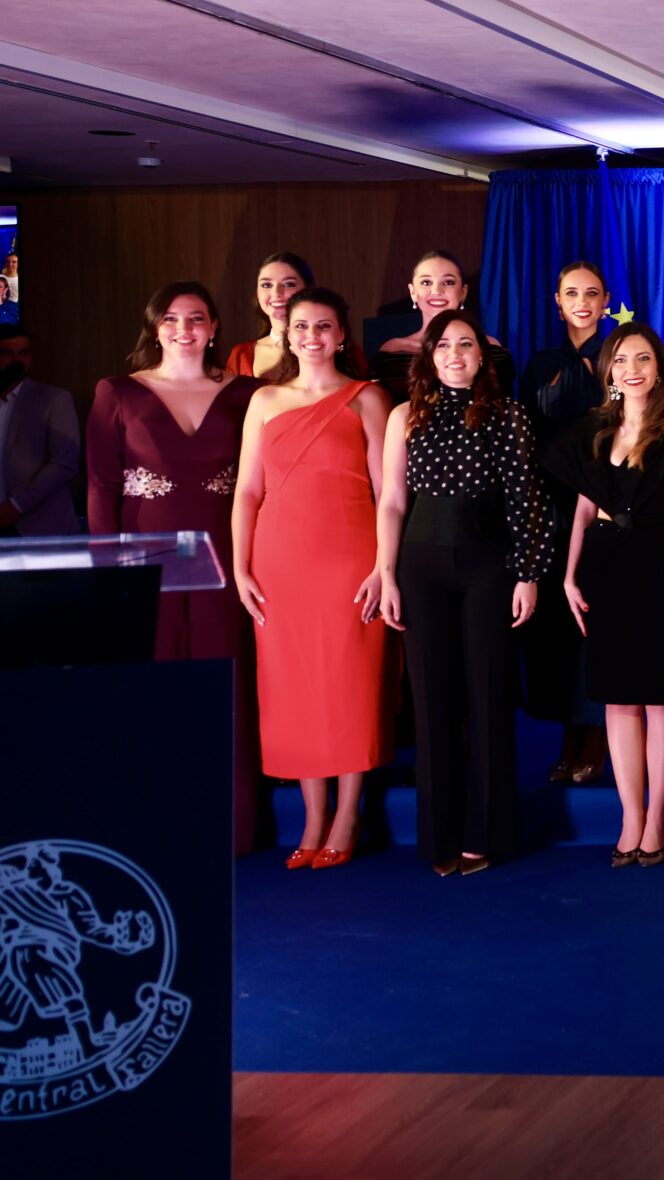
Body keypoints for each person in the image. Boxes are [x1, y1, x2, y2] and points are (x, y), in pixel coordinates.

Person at [86, 282, 262, 851]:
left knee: (224, 680)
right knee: (153, 682)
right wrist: (107, 569)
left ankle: (230, 824)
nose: (183, 329)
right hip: (145, 557)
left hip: (225, 556)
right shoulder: (117, 392)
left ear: (214, 328)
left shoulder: (247, 394)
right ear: (155, 328)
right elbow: (100, 486)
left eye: (196, 318)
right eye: (171, 318)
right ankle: (155, 821)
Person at [375, 308, 550, 876]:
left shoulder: (508, 415)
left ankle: (486, 834)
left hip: (488, 568)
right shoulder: (403, 415)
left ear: (482, 356)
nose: (454, 354)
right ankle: (440, 837)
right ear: (429, 356)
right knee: (431, 702)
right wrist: (386, 572)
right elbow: (392, 501)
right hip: (420, 567)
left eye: (465, 344)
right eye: (444, 345)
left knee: (489, 697)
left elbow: (526, 499)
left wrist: (528, 574)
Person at [232, 287, 390, 870]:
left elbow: (388, 493)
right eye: (302, 326)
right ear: (287, 332)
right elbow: (247, 490)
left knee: (349, 684)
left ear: (342, 334)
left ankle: (347, 815)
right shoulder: (264, 399)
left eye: (324, 326)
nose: (312, 336)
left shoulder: (368, 397)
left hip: (351, 557)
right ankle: (312, 817)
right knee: (293, 688)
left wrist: (384, 567)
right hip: (280, 561)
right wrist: (241, 566)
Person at [552, 324, 664, 867]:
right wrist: (569, 576)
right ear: (608, 371)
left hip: (663, 569)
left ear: (658, 368)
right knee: (618, 700)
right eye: (621, 360)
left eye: (642, 359)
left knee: (661, 698)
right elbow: (583, 510)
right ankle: (630, 815)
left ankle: (658, 816)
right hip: (606, 571)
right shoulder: (594, 432)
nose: (632, 369)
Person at [516, 262, 610, 786]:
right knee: (555, 626)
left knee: (593, 620)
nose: (582, 301)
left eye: (591, 293)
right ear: (557, 301)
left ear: (605, 301)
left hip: (602, 503)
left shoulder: (618, 354)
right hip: (550, 506)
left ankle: (595, 735)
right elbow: (525, 437)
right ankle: (567, 736)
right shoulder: (540, 363)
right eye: (572, 293)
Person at [369, 250, 513, 397]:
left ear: (463, 292)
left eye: (448, 282)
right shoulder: (394, 351)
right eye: (426, 282)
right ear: (412, 292)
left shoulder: (488, 346)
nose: (437, 291)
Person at [0, 327, 81, 537]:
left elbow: (64, 463)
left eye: (24, 353)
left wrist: (15, 505)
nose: (17, 360)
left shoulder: (54, 399)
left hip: (37, 525)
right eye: (7, 353)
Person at [225, 251, 312, 378]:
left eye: (288, 284)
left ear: (308, 290)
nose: (276, 292)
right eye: (266, 285)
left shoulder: (324, 346)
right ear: (257, 293)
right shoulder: (241, 355)